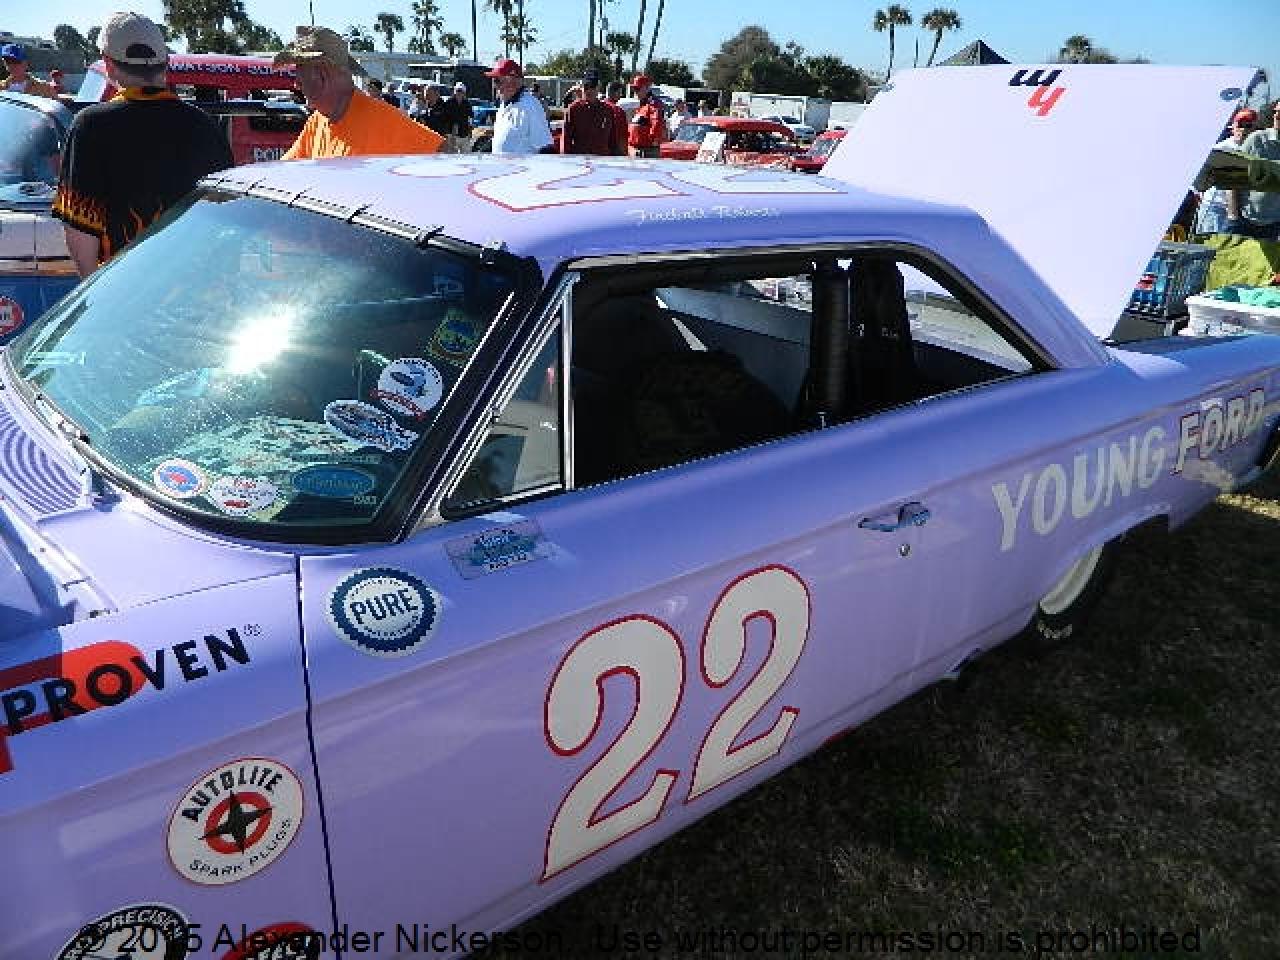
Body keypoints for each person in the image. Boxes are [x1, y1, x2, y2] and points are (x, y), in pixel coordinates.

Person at [51, 12, 232, 276]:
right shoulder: (206, 125)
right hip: (194, 288)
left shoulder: (90, 127)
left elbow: (80, 236)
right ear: (165, 64)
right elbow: (225, 224)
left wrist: (97, 298)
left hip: (127, 290)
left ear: (108, 64)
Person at [275, 26, 442, 160]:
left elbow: (446, 160)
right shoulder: (316, 123)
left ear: (322, 74)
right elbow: (286, 171)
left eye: (300, 73)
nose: (296, 84)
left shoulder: (383, 121)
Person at [1195, 108, 1256, 236]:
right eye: (1240, 125)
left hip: (1241, 211)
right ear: (1232, 126)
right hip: (1215, 209)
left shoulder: (1255, 150)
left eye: (1248, 126)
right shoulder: (1220, 149)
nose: (1243, 129)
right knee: (1208, 245)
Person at [1228, 101, 1280, 240]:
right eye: (1275, 112)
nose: (1276, 116)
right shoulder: (1256, 139)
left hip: (1274, 225)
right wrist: (1233, 216)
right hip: (1244, 221)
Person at [487, 59, 551, 155]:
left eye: (497, 81)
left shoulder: (530, 105)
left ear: (513, 82)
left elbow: (545, 147)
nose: (494, 86)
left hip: (524, 165)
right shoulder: (504, 104)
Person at [561, 68, 622, 156]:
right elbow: (566, 141)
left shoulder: (608, 110)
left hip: (602, 160)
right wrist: (566, 160)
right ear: (582, 88)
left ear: (598, 87)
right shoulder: (573, 109)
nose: (589, 90)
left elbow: (613, 142)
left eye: (592, 86)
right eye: (586, 87)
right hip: (580, 160)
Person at [627, 73, 666, 158]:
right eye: (634, 89)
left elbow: (657, 123)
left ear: (646, 88)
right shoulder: (643, 105)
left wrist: (652, 141)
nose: (635, 92)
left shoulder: (653, 104)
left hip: (647, 151)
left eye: (637, 89)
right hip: (638, 150)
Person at [444, 82, 474, 154]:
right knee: (452, 156)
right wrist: (447, 133)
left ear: (464, 93)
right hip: (451, 134)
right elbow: (445, 118)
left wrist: (470, 132)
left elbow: (470, 118)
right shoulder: (448, 102)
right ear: (454, 92)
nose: (459, 93)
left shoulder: (467, 104)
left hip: (464, 133)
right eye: (458, 91)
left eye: (461, 91)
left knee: (466, 156)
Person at [604, 81, 629, 157]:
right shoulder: (618, 111)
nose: (620, 95)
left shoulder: (597, 107)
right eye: (620, 92)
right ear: (615, 93)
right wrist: (624, 153)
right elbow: (622, 135)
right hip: (614, 153)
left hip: (597, 151)